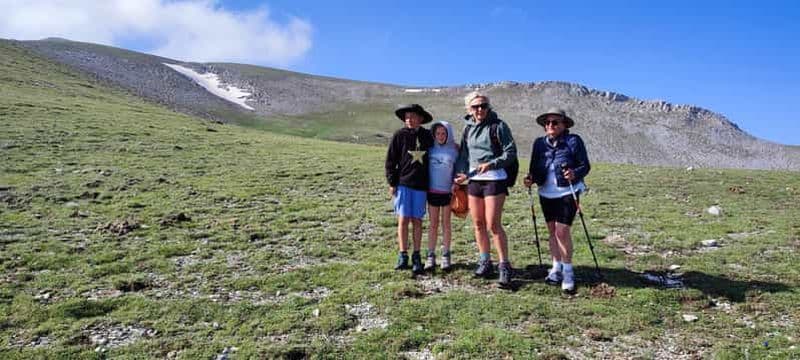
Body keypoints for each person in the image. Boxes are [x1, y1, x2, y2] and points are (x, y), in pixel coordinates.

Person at [523, 108, 590, 293]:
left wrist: (574, 173)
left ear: (564, 125)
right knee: (552, 231)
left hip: (568, 191)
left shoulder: (573, 141)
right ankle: (556, 267)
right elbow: (534, 167)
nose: (550, 126)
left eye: (555, 123)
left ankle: (568, 271)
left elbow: (585, 165)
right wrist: (530, 179)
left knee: (562, 231)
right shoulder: (539, 143)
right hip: (546, 192)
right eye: (547, 123)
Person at [454, 92, 518, 287]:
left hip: (494, 179)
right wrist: (460, 174)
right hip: (474, 180)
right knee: (478, 223)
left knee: (493, 224)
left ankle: (504, 265)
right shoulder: (467, 129)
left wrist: (491, 164)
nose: (480, 110)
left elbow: (511, 153)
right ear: (469, 109)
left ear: (488, 107)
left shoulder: (498, 126)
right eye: (475, 107)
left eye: (483, 106)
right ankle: (485, 261)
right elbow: (465, 154)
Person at [385, 104, 435, 274]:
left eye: (413, 116)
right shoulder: (399, 135)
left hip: (421, 185)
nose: (409, 120)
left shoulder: (428, 136)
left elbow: (440, 149)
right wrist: (392, 182)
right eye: (407, 117)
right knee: (403, 219)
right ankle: (402, 254)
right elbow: (391, 160)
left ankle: (417, 255)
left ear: (420, 119)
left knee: (418, 221)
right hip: (403, 184)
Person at [425, 121, 459, 271]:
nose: (440, 136)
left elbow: (459, 169)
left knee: (446, 224)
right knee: (433, 224)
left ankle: (445, 255)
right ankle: (430, 255)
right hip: (432, 191)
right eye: (438, 133)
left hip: (447, 192)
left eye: (443, 133)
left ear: (448, 134)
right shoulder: (430, 149)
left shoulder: (454, 150)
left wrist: (456, 183)